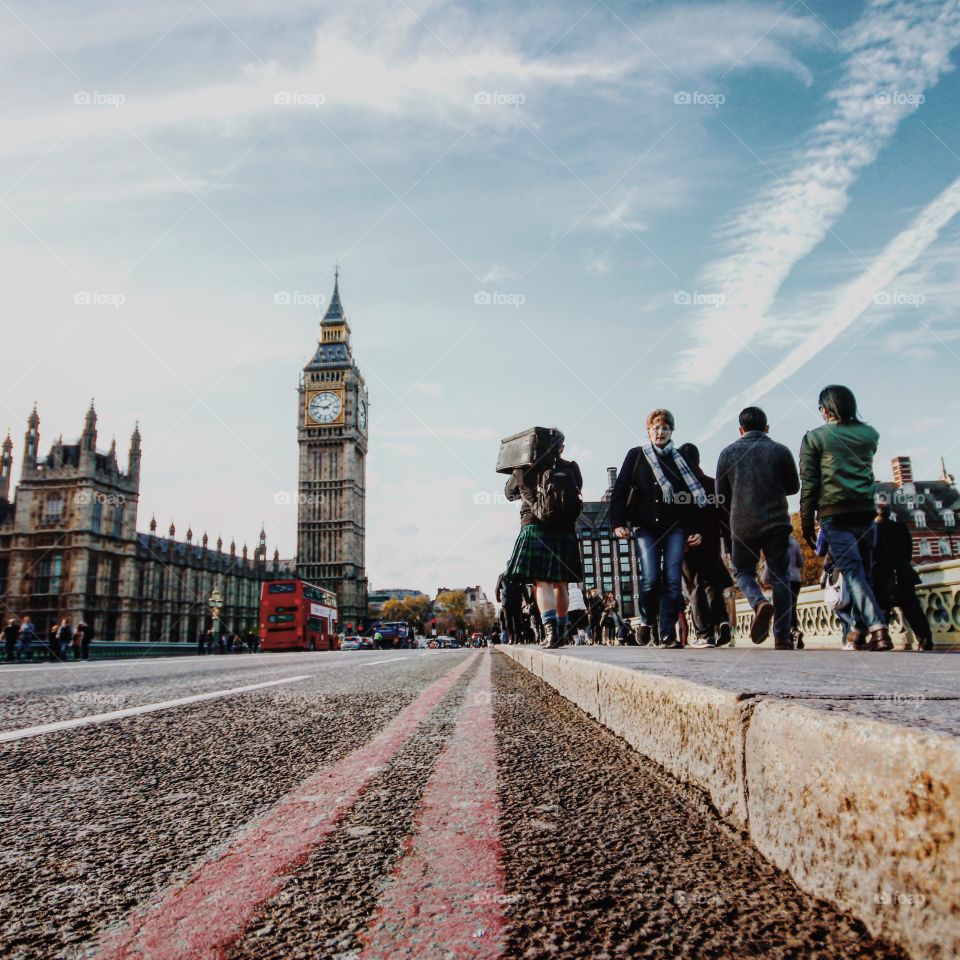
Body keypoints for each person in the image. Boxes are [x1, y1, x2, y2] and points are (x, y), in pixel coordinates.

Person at [800, 385, 891, 651]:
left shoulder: (815, 438)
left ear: (825, 410)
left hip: (834, 513)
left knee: (852, 571)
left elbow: (810, 482)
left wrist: (807, 521)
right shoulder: (869, 434)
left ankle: (878, 628)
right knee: (865, 574)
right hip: (865, 511)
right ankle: (857, 631)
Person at [610, 409, 704, 649]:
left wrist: (695, 528)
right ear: (648, 431)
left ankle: (667, 634)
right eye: (656, 428)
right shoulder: (637, 455)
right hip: (646, 527)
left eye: (664, 428)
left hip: (675, 527)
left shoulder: (679, 459)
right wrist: (618, 523)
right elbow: (620, 489)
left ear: (671, 431)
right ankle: (647, 620)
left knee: (673, 581)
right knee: (651, 578)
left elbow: (691, 496)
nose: (660, 432)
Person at [716, 407, 800, 650]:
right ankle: (782, 635)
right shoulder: (780, 450)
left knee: (742, 571)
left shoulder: (727, 453)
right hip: (776, 523)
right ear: (767, 428)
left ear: (740, 430)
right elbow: (793, 487)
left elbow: (721, 496)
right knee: (780, 576)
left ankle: (758, 602)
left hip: (743, 524)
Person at [504, 429, 583, 649]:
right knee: (561, 584)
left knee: (542, 581)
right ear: (561, 447)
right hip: (563, 526)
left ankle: (551, 633)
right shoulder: (570, 467)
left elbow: (509, 494)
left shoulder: (523, 468)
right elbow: (576, 492)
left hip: (534, 525)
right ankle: (563, 630)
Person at [677, 442, 733, 648]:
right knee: (713, 585)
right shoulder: (713, 484)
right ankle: (723, 621)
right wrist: (728, 546)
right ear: (699, 460)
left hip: (688, 544)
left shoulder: (680, 488)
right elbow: (725, 518)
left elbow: (676, 518)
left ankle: (704, 634)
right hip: (711, 543)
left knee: (695, 586)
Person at [873, 500, 933, 651]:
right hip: (903, 573)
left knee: (882, 609)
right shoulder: (901, 527)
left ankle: (883, 639)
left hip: (882, 575)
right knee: (913, 609)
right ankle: (925, 639)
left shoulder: (873, 529)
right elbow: (908, 551)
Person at [760, 535, 806, 649]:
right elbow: (800, 562)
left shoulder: (773, 540)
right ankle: (795, 630)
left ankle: (787, 634)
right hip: (796, 579)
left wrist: (764, 579)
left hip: (781, 579)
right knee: (792, 606)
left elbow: (768, 564)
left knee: (783, 607)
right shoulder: (794, 542)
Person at [495, 571, 525, 645]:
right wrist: (527, 600)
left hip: (507, 601)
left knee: (508, 620)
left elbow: (497, 588)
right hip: (517, 600)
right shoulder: (518, 575)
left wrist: (498, 599)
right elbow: (523, 588)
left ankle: (511, 638)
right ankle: (517, 639)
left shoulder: (502, 575)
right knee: (517, 620)